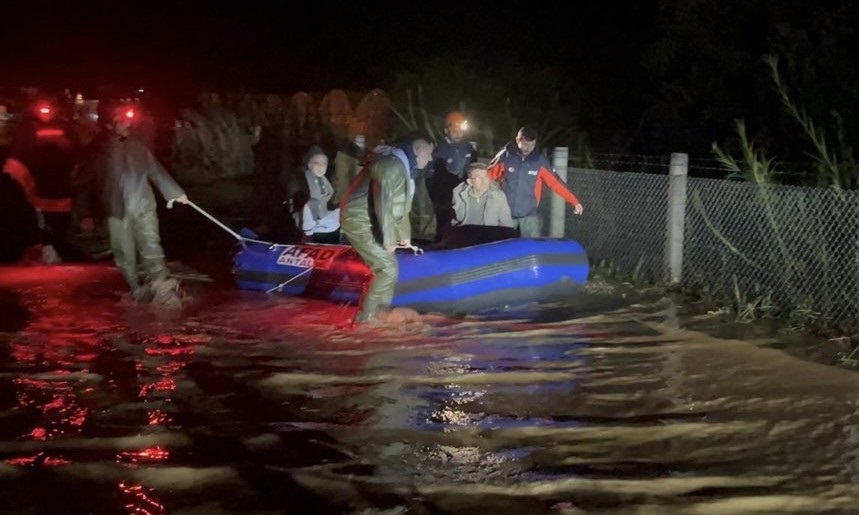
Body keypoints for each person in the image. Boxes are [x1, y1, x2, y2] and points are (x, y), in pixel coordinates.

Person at [76, 101, 188, 309]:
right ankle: (135, 286)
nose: (128, 124)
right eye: (122, 120)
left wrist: (174, 192)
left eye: (129, 120)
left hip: (143, 203)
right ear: (110, 124)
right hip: (116, 209)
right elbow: (83, 183)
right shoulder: (98, 150)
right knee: (124, 252)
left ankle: (161, 282)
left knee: (151, 243)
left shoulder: (137, 146)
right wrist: (84, 213)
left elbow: (155, 170)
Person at [339, 133, 434, 325]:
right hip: (359, 220)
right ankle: (365, 319)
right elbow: (384, 203)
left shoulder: (403, 168)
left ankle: (380, 313)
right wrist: (389, 239)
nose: (431, 158)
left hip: (372, 220)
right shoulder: (391, 166)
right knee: (387, 269)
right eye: (429, 153)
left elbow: (401, 208)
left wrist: (404, 237)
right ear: (418, 149)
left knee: (390, 268)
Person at [3, 96, 83, 263]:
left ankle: (57, 249)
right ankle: (44, 249)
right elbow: (19, 153)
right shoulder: (27, 127)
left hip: (60, 186)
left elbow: (76, 151)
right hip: (37, 186)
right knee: (40, 222)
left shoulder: (64, 126)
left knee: (58, 222)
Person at [487, 125, 583, 237]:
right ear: (518, 140)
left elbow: (556, 183)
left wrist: (574, 201)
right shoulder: (506, 156)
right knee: (505, 246)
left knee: (531, 246)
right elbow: (487, 176)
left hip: (530, 215)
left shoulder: (540, 161)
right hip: (505, 214)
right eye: (525, 144)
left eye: (532, 145)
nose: (528, 148)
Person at [427, 111, 478, 237]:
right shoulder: (438, 151)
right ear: (446, 130)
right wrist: (439, 199)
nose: (458, 133)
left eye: (460, 130)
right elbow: (431, 178)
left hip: (464, 194)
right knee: (444, 226)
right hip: (444, 197)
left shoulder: (469, 148)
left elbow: (473, 168)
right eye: (454, 130)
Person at [288, 145, 341, 244]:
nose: (321, 167)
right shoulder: (302, 180)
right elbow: (298, 200)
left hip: (323, 215)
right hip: (307, 218)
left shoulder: (324, 179)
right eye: (316, 163)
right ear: (309, 165)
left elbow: (330, 192)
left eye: (324, 164)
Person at [451, 162, 514, 228]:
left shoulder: (498, 196)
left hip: (488, 233)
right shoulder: (458, 194)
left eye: (486, 177)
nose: (485, 181)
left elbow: (507, 223)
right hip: (464, 232)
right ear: (470, 182)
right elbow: (456, 218)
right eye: (479, 178)